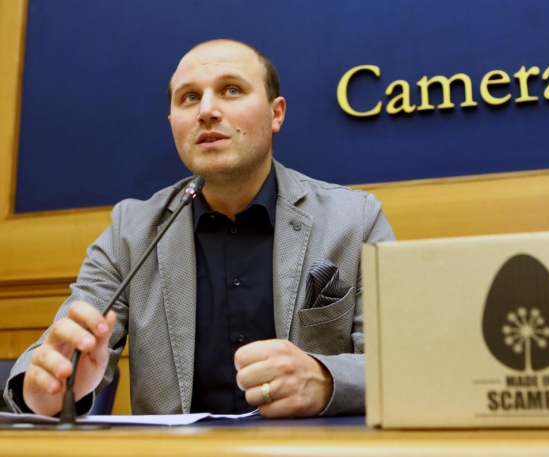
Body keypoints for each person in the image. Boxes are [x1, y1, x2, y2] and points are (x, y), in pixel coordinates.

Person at [3, 39, 395, 418]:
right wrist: (43, 390)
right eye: (189, 98)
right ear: (173, 123)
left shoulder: (355, 219)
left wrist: (325, 379)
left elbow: (402, 363)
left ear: (276, 113)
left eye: (231, 90)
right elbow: (55, 354)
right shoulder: (130, 232)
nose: (206, 110)